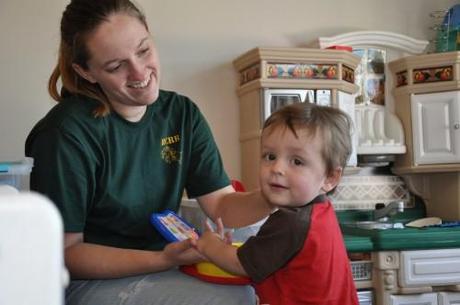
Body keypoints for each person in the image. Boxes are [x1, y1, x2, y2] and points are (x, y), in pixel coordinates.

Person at [24, 0, 272, 304]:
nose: (140, 72)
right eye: (116, 66)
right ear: (86, 72)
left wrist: (271, 197)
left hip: (168, 260)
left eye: (143, 51)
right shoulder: (66, 134)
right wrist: (163, 260)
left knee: (264, 282)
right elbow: (67, 253)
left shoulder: (181, 113)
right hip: (88, 280)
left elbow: (221, 205)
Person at [192, 102, 359, 305]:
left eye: (297, 161)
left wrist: (210, 246)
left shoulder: (291, 222)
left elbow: (240, 263)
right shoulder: (320, 212)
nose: (277, 168)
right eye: (270, 156)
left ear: (330, 177)